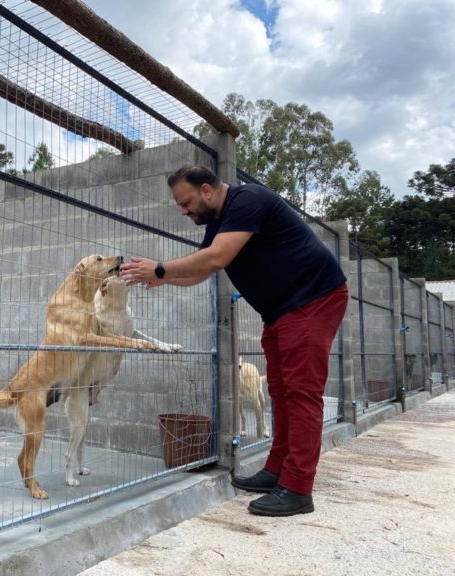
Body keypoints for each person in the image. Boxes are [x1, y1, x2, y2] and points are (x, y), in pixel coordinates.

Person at [120, 165, 348, 517]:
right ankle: (277, 471)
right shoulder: (217, 223)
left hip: (313, 298)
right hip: (281, 311)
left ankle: (298, 488)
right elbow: (201, 269)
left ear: (207, 190)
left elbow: (217, 257)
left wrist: (162, 268)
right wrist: (164, 280)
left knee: (301, 392)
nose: (184, 211)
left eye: (186, 202)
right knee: (280, 390)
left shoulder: (247, 201)